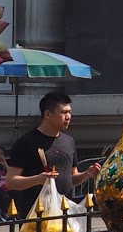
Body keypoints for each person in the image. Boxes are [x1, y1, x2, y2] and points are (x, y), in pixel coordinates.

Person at [6, 90, 100, 219]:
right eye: (63, 112)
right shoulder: (26, 142)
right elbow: (11, 181)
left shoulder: (69, 141)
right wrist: (38, 179)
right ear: (48, 114)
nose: (68, 117)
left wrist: (86, 174)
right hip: (35, 215)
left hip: (64, 214)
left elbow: (72, 179)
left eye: (70, 112)